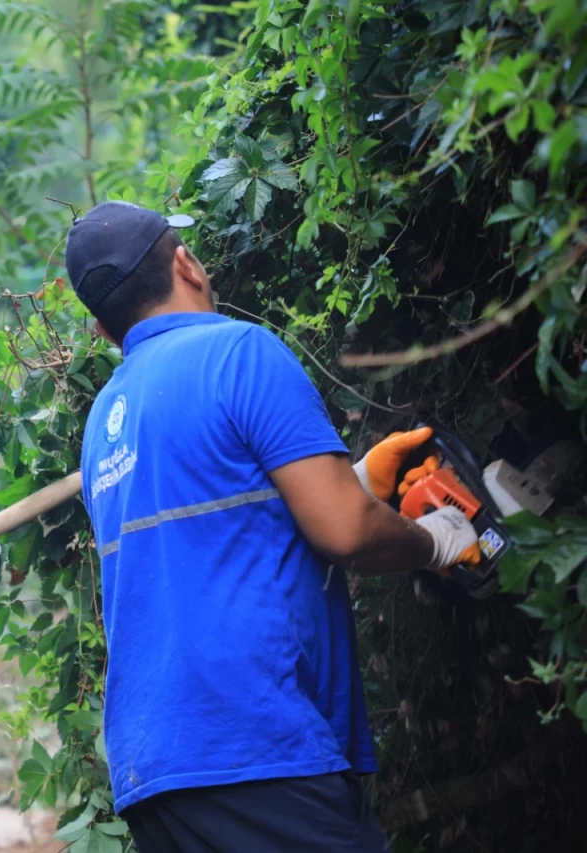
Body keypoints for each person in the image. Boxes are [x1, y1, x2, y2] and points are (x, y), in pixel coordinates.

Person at [64, 201, 480, 852]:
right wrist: (436, 540)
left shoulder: (102, 421)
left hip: (155, 773)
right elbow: (345, 534)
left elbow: (216, 536)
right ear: (187, 264)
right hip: (259, 743)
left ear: (100, 326)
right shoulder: (238, 353)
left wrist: (359, 480)